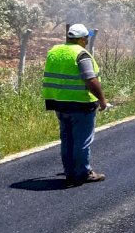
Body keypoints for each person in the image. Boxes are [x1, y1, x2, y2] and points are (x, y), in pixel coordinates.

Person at [42, 24, 108, 185]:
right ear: (80, 39)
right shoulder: (81, 54)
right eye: (86, 38)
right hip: (80, 104)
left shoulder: (55, 51)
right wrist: (102, 99)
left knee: (67, 139)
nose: (86, 40)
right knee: (82, 141)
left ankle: (70, 172)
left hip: (59, 102)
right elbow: (90, 79)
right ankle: (83, 173)